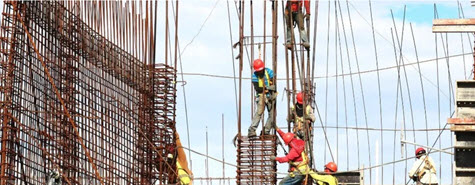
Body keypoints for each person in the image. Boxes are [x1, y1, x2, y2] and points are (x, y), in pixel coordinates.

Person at [271, 126, 338, 185]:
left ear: (329, 170)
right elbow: (286, 137)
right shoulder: (299, 142)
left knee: (282, 184)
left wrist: (275, 158)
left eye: (326, 169)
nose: (325, 170)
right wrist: (278, 130)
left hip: (299, 172)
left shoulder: (294, 151)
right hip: (302, 171)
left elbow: (286, 159)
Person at [248, 59, 276, 137]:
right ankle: (252, 130)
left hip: (270, 95)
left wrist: (271, 88)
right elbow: (258, 89)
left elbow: (274, 83)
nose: (260, 72)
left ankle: (266, 131)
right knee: (259, 112)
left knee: (272, 114)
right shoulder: (254, 76)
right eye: (258, 71)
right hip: (261, 96)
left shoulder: (269, 72)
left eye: (261, 70)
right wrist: (268, 88)